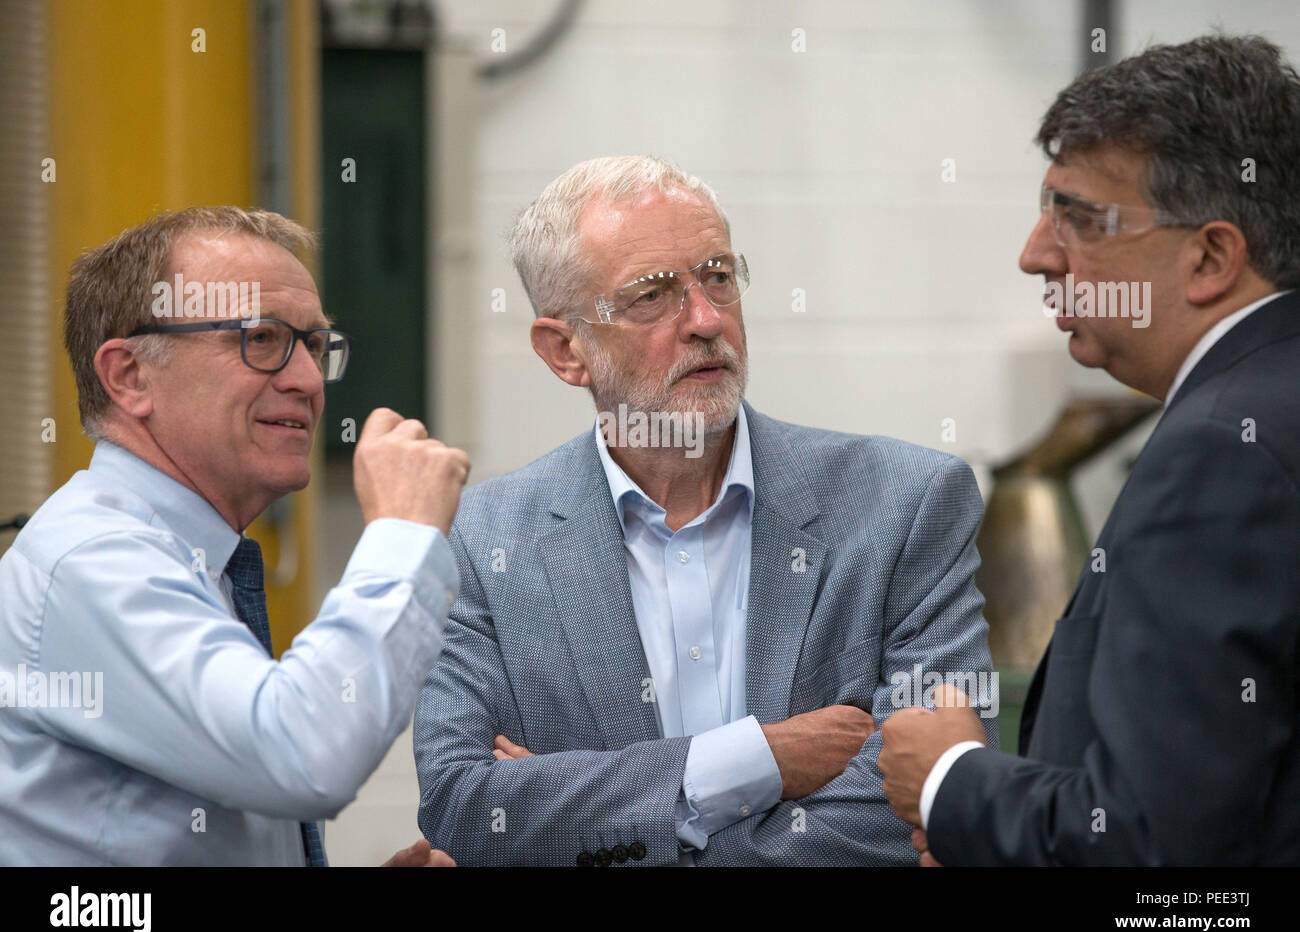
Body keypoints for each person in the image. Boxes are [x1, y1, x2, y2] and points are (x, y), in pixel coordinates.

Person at [414, 156, 997, 866]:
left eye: (718, 276)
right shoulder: (479, 540)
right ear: (567, 351)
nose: (705, 319)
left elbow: (933, 793)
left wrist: (593, 824)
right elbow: (463, 806)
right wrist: (759, 761)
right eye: (652, 297)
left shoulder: (906, 504)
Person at [878, 34, 1300, 865]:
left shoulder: (1220, 454)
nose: (1036, 255)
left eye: (1079, 217)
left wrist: (949, 783)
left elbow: (1156, 845)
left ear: (1210, 256)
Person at [0, 207, 469, 865]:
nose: (307, 380)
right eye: (262, 339)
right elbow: (301, 753)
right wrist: (404, 533)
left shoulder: (184, 554)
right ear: (129, 376)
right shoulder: (92, 561)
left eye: (313, 345)